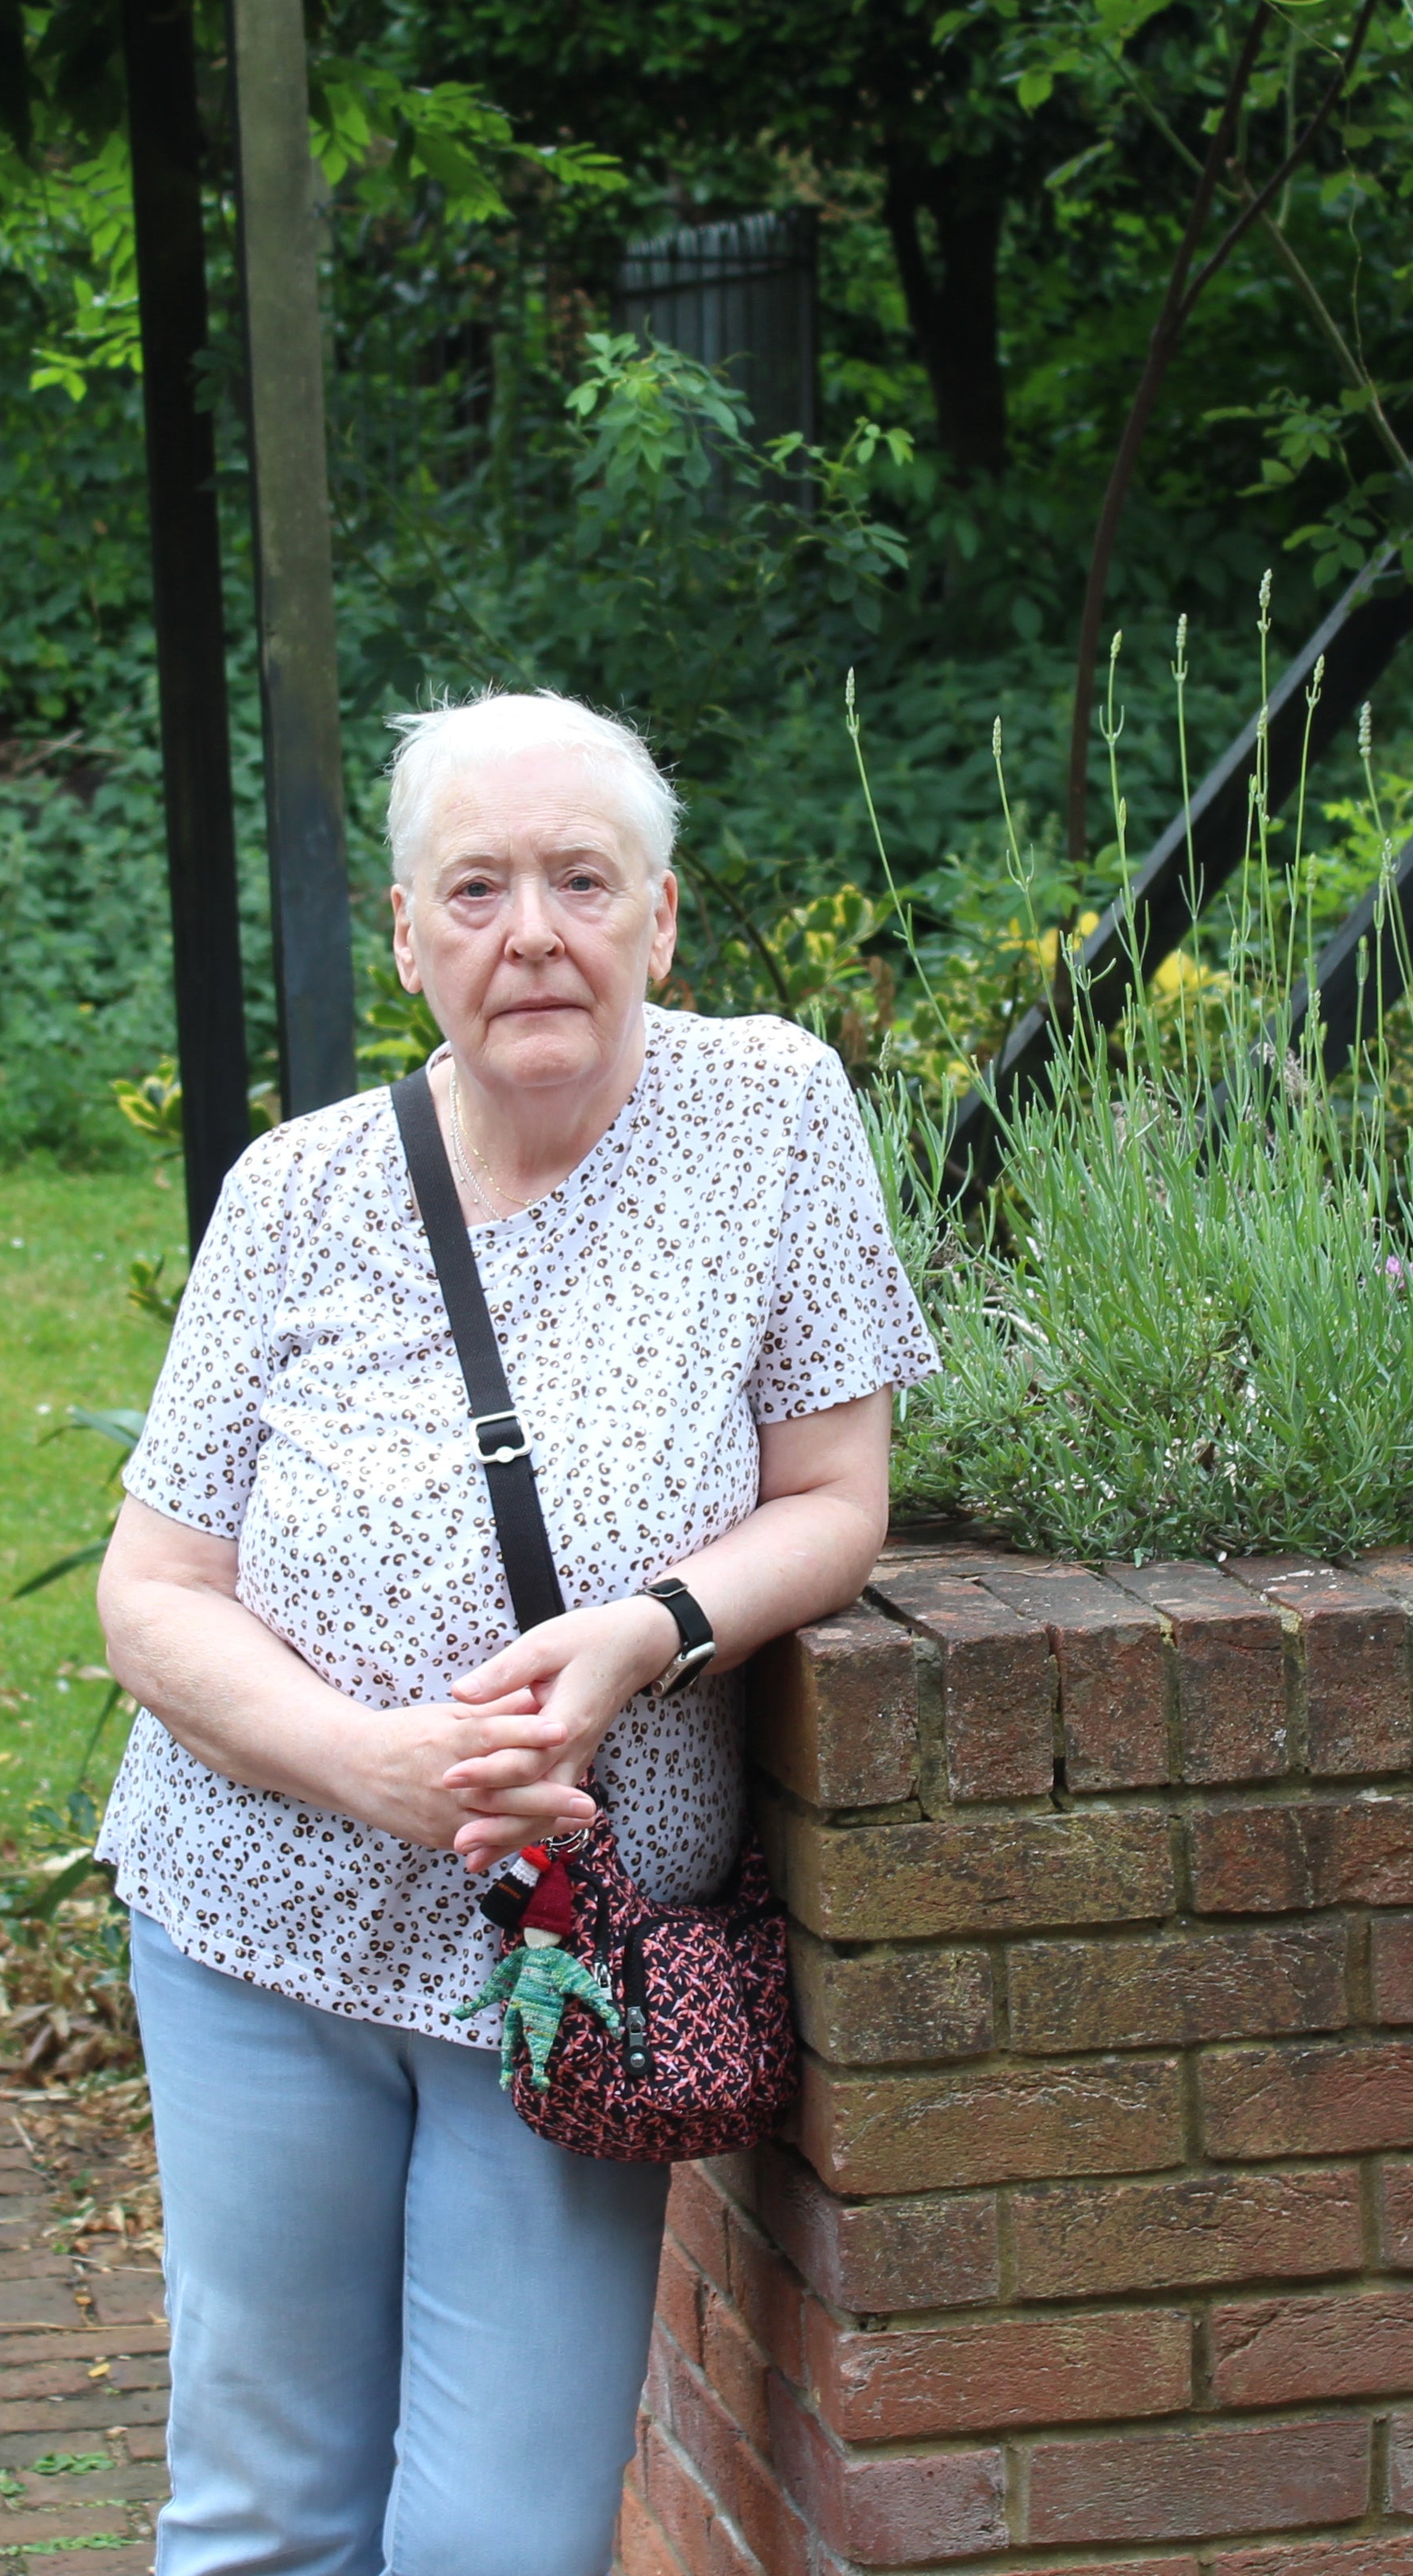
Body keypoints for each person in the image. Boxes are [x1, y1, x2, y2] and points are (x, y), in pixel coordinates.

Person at [94, 690, 936, 2576]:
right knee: (261, 2513)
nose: (529, 931)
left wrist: (651, 1632)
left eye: (579, 879)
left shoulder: (769, 1114)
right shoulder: (295, 1193)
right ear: (409, 937)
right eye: (473, 888)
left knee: (502, 2545)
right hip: (255, 1926)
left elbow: (837, 1497)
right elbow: (151, 1593)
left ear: (659, 916)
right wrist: (367, 1765)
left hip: (560, 1975)